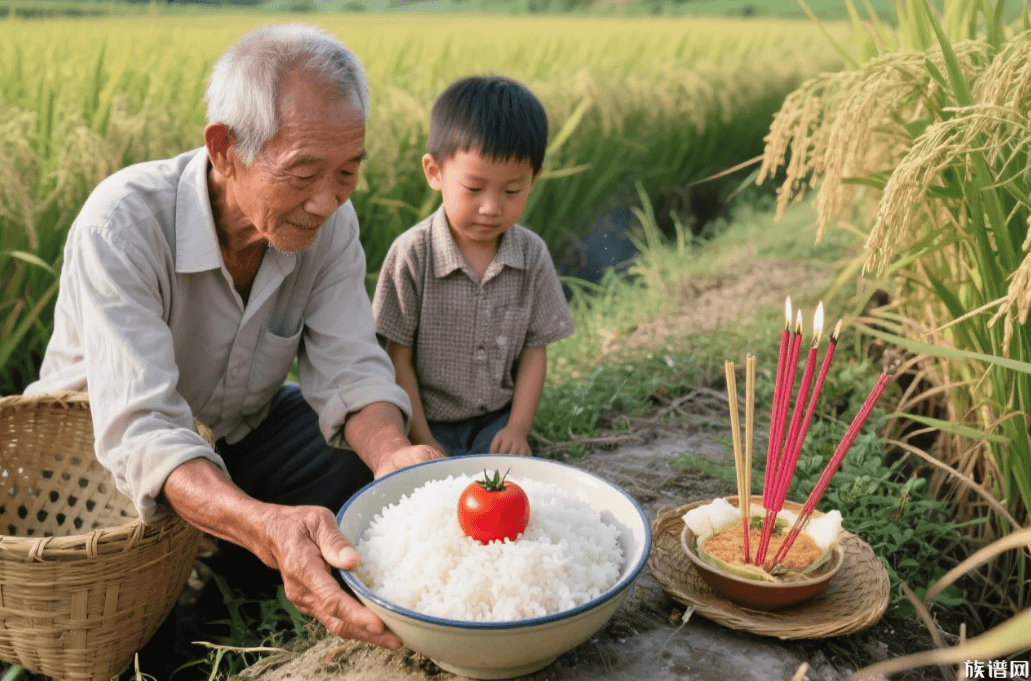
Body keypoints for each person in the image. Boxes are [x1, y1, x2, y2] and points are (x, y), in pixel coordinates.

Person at [23, 22, 443, 663]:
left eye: (348, 173)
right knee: (138, 651)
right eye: (303, 172)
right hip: (106, 471)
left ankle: (235, 604)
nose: (327, 200)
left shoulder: (328, 224)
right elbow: (145, 433)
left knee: (356, 466)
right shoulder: (125, 223)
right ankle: (196, 609)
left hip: (235, 431)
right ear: (224, 149)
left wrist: (392, 456)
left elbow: (351, 367)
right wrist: (267, 525)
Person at [372, 75, 574, 458]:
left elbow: (535, 351)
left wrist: (517, 428)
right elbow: (397, 358)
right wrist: (422, 438)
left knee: (508, 490)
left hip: (495, 423)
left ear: (534, 180)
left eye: (512, 191)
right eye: (474, 188)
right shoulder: (412, 254)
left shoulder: (531, 256)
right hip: (423, 421)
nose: (491, 207)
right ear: (435, 172)